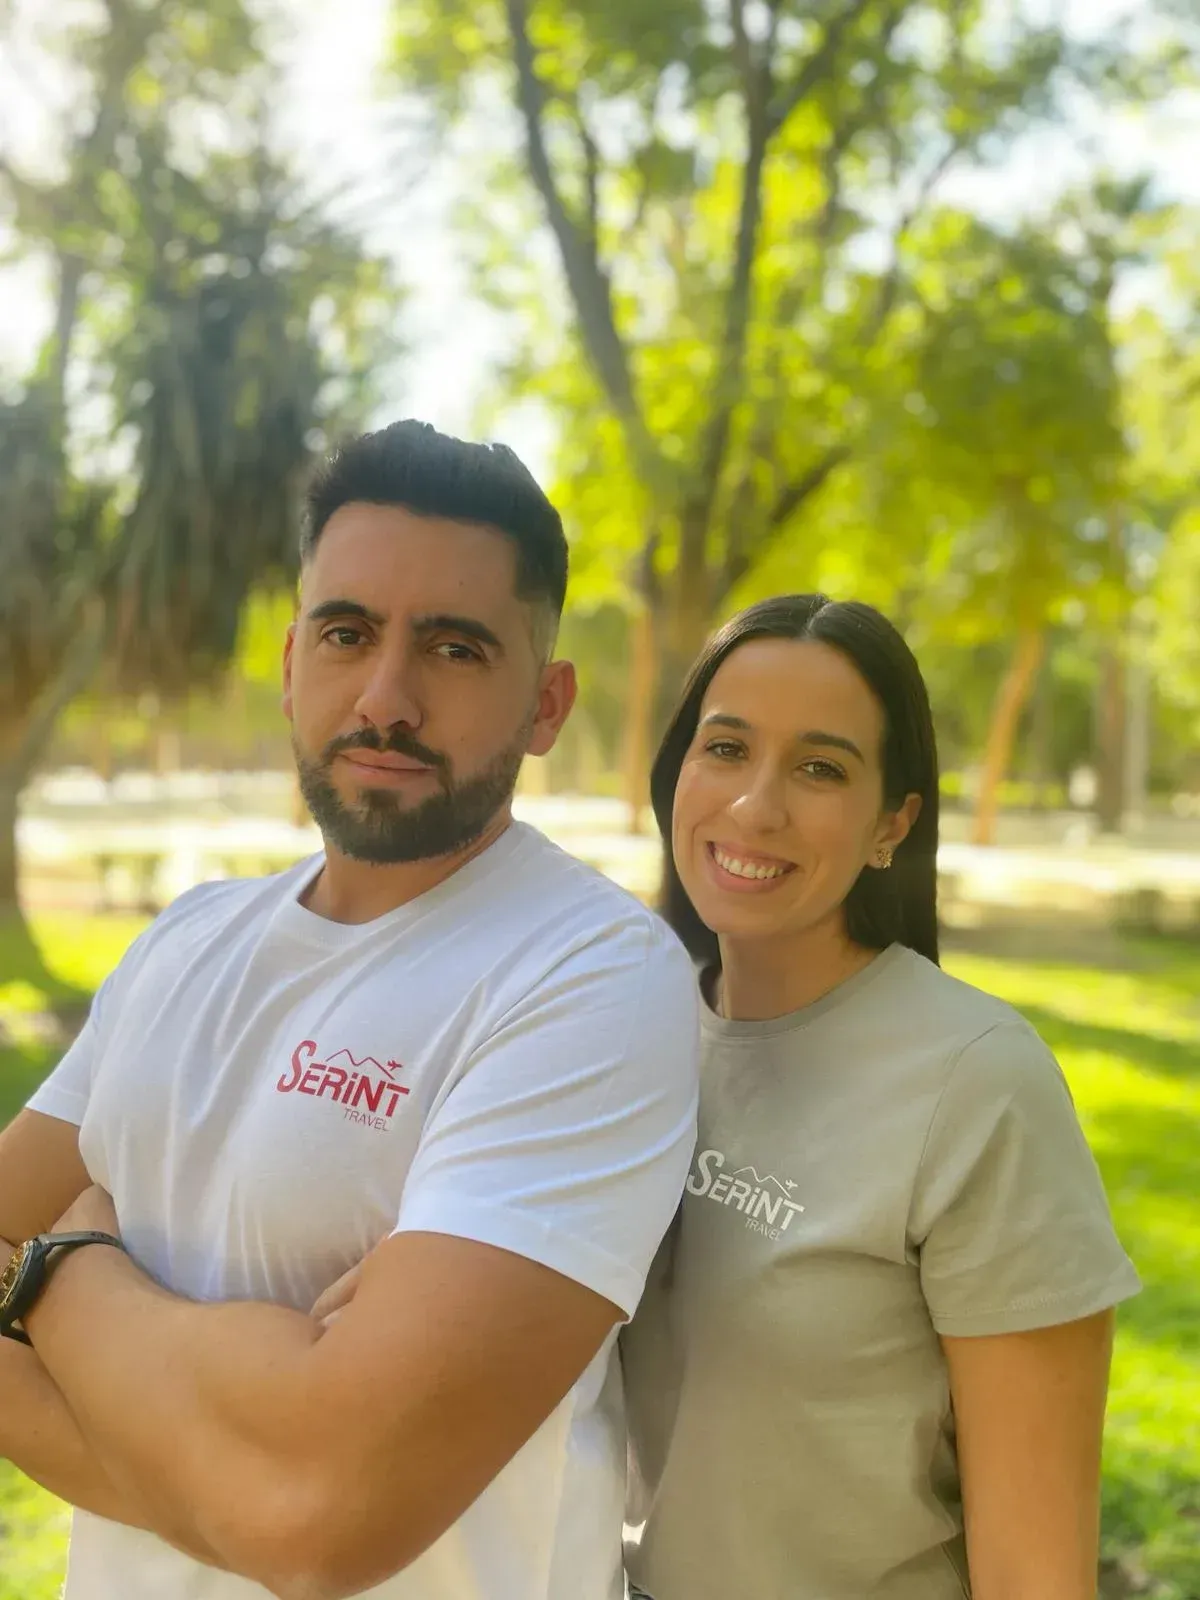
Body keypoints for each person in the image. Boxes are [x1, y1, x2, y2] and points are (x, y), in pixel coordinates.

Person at [0, 420, 700, 1600]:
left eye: (456, 648)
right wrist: (243, 1473)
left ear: (548, 702)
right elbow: (283, 1508)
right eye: (347, 633)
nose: (387, 696)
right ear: (289, 663)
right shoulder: (190, 940)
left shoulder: (591, 977)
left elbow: (325, 1517)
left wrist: (59, 1270)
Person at [621, 594, 1140, 1600]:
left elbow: (1037, 1571)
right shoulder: (623, 1032)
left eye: (820, 767)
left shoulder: (977, 1082)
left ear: (892, 823)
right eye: (725, 748)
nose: (755, 806)